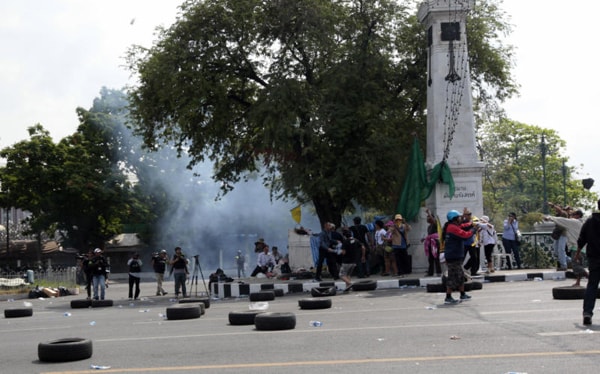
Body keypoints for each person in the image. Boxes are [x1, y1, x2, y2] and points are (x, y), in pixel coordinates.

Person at [574, 199, 600, 326]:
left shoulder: (589, 221)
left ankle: (587, 313)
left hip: (594, 258)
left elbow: (581, 239)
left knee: (592, 286)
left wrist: (577, 254)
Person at [442, 210, 477, 304]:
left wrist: (471, 224)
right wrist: (473, 230)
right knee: (453, 277)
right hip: (453, 256)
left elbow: (463, 226)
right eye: (459, 217)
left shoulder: (453, 226)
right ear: (454, 219)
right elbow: (465, 235)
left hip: (456, 255)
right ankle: (448, 297)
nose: (461, 218)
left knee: (460, 276)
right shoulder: (452, 228)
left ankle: (462, 294)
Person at [423, 209, 442, 277]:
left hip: (435, 243)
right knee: (430, 259)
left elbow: (433, 221)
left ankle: (439, 272)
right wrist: (424, 239)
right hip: (430, 243)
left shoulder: (435, 223)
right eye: (427, 217)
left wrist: (429, 212)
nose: (427, 218)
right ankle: (430, 272)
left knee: (436, 258)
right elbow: (429, 236)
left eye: (428, 217)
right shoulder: (429, 227)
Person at [461, 208, 480, 276]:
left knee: (474, 257)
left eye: (470, 214)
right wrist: (463, 214)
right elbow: (465, 229)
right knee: (462, 257)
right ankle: (460, 271)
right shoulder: (463, 222)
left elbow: (475, 231)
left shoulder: (472, 222)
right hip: (464, 243)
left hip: (471, 242)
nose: (469, 216)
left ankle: (473, 271)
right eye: (467, 215)